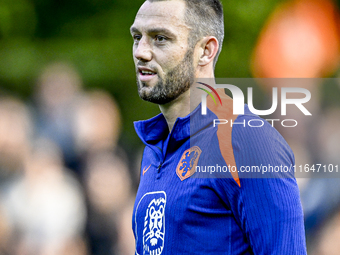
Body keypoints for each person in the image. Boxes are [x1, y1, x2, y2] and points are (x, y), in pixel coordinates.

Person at [130, 0, 307, 254]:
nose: (141, 52)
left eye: (160, 38)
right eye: (137, 37)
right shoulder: (155, 148)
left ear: (205, 50)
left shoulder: (245, 139)